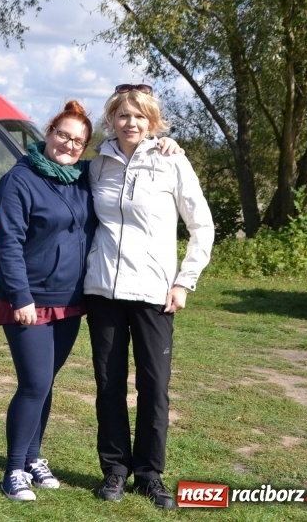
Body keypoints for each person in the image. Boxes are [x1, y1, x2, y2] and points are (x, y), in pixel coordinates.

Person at [0, 99, 182, 502]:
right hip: (28, 300)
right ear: (48, 133)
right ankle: (12, 470)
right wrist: (22, 297)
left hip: (70, 299)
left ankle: (33, 458)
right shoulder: (19, 180)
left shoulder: (81, 177)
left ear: (86, 146)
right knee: (34, 383)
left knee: (46, 384)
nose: (69, 144)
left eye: (78, 140)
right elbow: (7, 243)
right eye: (62, 135)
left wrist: (168, 144)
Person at [84, 83, 215, 510]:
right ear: (111, 120)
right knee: (109, 384)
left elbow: (202, 226)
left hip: (155, 294)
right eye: (123, 115)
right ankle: (115, 471)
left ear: (152, 122)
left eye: (139, 116)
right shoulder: (97, 164)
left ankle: (150, 474)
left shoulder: (171, 161)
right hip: (103, 290)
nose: (131, 122)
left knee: (154, 387)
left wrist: (184, 281)